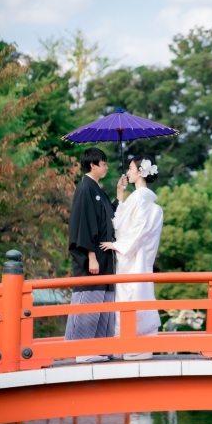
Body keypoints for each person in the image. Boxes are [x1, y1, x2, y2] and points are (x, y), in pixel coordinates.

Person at [65, 147, 127, 363]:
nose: (106, 167)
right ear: (92, 164)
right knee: (90, 299)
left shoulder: (97, 190)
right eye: (103, 163)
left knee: (104, 301)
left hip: (104, 256)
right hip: (92, 257)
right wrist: (90, 255)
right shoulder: (85, 189)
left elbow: (109, 217)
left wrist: (119, 192)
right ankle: (83, 350)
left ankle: (100, 347)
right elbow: (84, 224)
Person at [100, 155, 164, 361]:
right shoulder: (140, 198)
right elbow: (120, 221)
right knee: (135, 295)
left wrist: (118, 245)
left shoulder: (141, 199)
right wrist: (120, 192)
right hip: (135, 256)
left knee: (134, 295)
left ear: (140, 172)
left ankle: (135, 345)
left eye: (130, 168)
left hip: (134, 256)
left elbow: (138, 230)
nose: (128, 172)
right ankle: (133, 345)